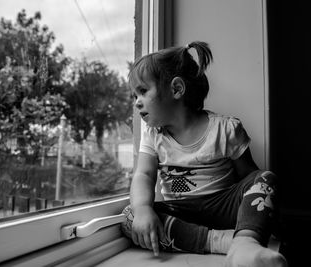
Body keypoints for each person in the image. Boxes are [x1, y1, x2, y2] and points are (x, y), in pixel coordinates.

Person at [121, 41, 288, 267]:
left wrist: (261, 214)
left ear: (177, 89)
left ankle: (246, 241)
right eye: (134, 96)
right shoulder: (153, 135)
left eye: (142, 91)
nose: (137, 102)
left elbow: (249, 177)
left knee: (265, 178)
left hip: (224, 208)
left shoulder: (225, 129)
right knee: (130, 217)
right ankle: (226, 243)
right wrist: (142, 209)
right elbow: (144, 175)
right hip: (182, 213)